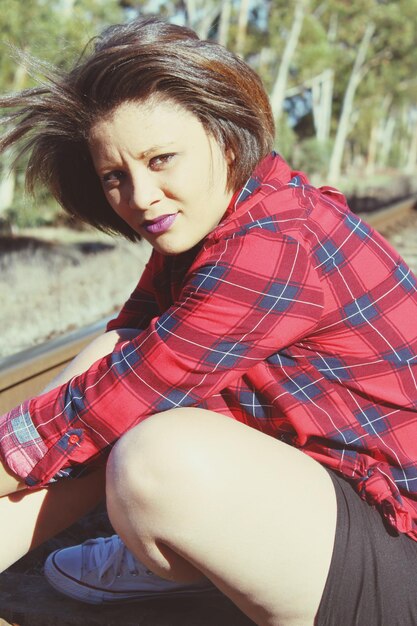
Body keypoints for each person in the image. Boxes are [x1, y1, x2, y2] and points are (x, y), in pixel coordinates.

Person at [1, 15, 417, 626]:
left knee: (156, 457)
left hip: (401, 546)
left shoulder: (274, 242)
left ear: (226, 138)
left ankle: (199, 564)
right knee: (117, 354)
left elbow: (125, 394)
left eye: (161, 159)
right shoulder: (220, 221)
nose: (141, 197)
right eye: (116, 176)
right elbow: (124, 358)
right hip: (336, 489)